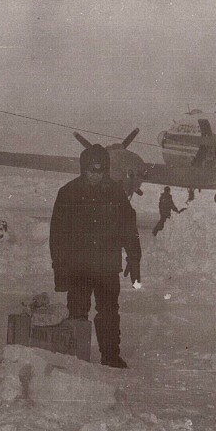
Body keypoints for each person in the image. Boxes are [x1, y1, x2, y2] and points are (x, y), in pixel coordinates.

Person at [49, 144, 141, 369]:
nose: (95, 175)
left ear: (106, 170)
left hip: (106, 267)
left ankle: (110, 355)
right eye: (91, 170)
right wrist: (60, 270)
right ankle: (76, 356)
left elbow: (128, 227)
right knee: (77, 311)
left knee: (109, 311)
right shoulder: (67, 193)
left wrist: (134, 258)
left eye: (100, 170)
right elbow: (57, 235)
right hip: (78, 268)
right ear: (83, 169)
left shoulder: (116, 193)